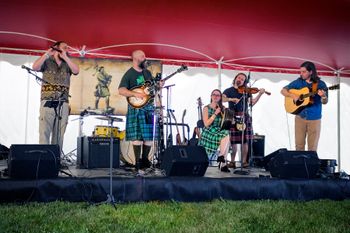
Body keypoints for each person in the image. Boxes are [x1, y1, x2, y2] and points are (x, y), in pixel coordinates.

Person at [32, 41, 79, 149]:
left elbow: (76, 71)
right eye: (64, 47)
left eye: (67, 48)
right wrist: (47, 54)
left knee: (59, 134)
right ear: (57, 48)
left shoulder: (68, 63)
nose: (67, 49)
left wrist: (66, 57)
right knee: (44, 131)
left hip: (63, 102)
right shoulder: (47, 61)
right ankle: (44, 158)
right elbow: (35, 67)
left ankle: (55, 159)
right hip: (47, 101)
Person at [118, 50, 155, 170]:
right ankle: (137, 162)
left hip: (148, 107)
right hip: (136, 107)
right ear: (135, 58)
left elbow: (153, 89)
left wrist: (159, 85)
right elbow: (121, 90)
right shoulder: (130, 73)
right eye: (142, 56)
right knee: (137, 136)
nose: (145, 57)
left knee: (149, 136)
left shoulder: (148, 73)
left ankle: (145, 160)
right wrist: (135, 94)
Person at [281, 61, 328, 151]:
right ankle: (299, 165)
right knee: (299, 146)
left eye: (304, 72)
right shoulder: (298, 82)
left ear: (311, 72)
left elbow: (325, 101)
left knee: (312, 148)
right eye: (300, 71)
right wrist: (293, 95)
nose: (301, 73)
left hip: (314, 118)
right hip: (300, 117)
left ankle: (310, 165)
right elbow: (283, 91)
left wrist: (323, 96)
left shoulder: (321, 84)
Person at [222, 73, 265, 168]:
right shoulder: (228, 90)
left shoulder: (246, 92)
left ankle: (244, 161)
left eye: (242, 79)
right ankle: (232, 162)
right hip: (231, 116)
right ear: (235, 78)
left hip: (244, 115)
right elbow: (222, 98)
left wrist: (260, 94)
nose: (240, 80)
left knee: (245, 140)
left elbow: (251, 103)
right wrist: (231, 99)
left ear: (244, 82)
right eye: (239, 78)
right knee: (233, 141)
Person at [198, 89, 231, 172]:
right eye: (214, 95)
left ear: (220, 97)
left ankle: (221, 156)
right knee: (226, 135)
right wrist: (215, 113)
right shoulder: (206, 108)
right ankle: (222, 163)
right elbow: (206, 124)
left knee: (226, 133)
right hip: (209, 130)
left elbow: (225, 123)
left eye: (218, 95)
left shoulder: (223, 108)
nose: (216, 96)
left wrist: (229, 118)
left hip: (219, 130)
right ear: (211, 96)